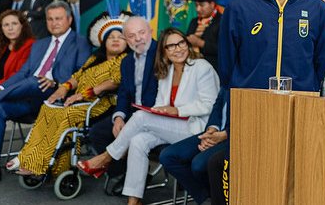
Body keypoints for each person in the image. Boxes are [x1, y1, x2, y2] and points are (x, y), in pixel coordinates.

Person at [213, 0, 325, 204]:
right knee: (249, 189)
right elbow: (228, 69)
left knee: (294, 190)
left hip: (301, 116)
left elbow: (322, 64)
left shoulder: (317, 9)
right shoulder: (239, 8)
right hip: (250, 116)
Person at [78, 28, 219, 205]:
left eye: (181, 43)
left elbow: (211, 104)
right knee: (138, 141)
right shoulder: (166, 72)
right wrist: (158, 111)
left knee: (140, 117)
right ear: (165, 52)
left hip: (196, 128)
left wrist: (177, 110)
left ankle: (107, 157)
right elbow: (160, 104)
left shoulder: (202, 67)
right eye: (171, 46)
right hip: (173, 127)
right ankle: (133, 201)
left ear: (187, 44)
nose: (178, 49)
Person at [9, 9, 131, 177]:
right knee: (47, 108)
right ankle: (28, 158)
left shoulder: (125, 60)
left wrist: (85, 94)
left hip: (99, 104)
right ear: (104, 41)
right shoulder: (95, 59)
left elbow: (114, 82)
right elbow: (77, 76)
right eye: (111, 37)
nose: (116, 40)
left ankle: (44, 164)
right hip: (77, 100)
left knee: (66, 115)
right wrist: (64, 87)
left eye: (120, 37)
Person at [0, 1, 90, 182]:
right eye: (50, 19)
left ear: (70, 19)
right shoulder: (40, 44)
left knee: (35, 81)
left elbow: (83, 74)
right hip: (29, 99)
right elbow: (22, 73)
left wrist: (57, 83)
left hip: (56, 95)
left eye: (58, 18)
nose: (54, 22)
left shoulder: (80, 43)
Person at [86, 16, 159, 180]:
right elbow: (124, 93)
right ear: (127, 40)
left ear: (151, 32)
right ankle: (124, 175)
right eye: (132, 36)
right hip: (134, 112)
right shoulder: (127, 61)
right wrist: (119, 117)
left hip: (155, 114)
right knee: (97, 132)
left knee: (133, 138)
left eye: (142, 33)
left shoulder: (162, 54)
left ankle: (114, 163)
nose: (138, 38)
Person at [0, 11, 34, 118]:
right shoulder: (2, 46)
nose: (10, 28)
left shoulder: (30, 45)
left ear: (22, 26)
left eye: (14, 24)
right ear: (1, 29)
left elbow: (16, 76)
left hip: (12, 94)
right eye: (6, 25)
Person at [185, 0, 222, 70]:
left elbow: (224, 49)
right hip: (193, 67)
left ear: (212, 4)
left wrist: (201, 43)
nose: (198, 9)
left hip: (214, 69)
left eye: (201, 5)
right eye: (196, 5)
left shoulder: (222, 22)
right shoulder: (194, 22)